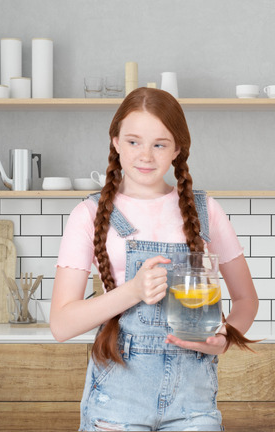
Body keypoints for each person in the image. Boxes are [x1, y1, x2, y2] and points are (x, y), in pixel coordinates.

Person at [50, 87, 259, 431]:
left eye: (159, 144)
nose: (145, 155)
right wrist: (132, 291)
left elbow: (246, 299)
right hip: (117, 404)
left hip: (194, 406)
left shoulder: (206, 211)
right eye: (133, 141)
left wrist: (224, 338)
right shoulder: (88, 214)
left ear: (177, 149)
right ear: (115, 141)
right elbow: (61, 324)